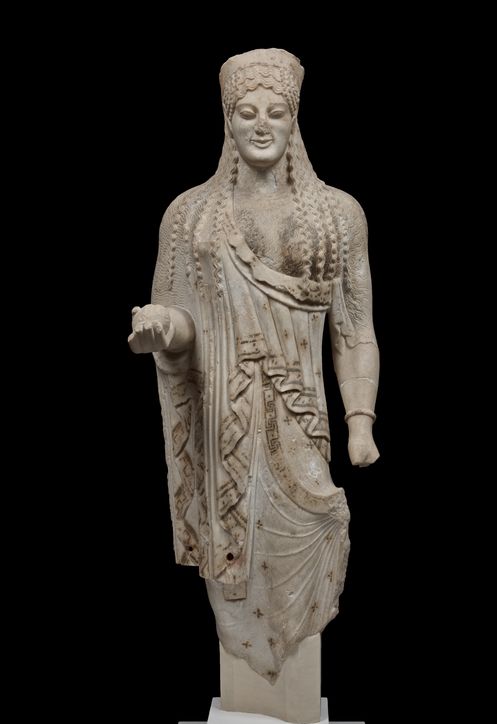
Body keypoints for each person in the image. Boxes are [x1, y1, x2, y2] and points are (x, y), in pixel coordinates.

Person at [128, 49, 379, 686]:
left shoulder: (337, 216)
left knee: (321, 519)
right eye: (246, 112)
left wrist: (360, 421)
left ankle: (286, 681)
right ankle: (255, 679)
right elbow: (181, 316)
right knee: (234, 553)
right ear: (227, 120)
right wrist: (163, 329)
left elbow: (354, 330)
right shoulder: (189, 216)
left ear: (295, 119)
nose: (261, 124)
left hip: (303, 420)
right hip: (226, 422)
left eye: (276, 112)